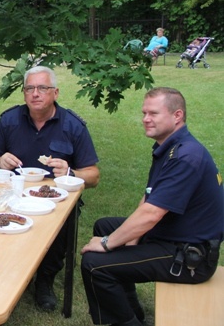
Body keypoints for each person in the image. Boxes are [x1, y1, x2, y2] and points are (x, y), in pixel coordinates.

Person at [80, 87, 223, 326]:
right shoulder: (171, 147)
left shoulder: (185, 157)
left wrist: (107, 243)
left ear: (177, 116)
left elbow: (152, 214)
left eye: (154, 113)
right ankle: (133, 310)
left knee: (95, 265)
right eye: (144, 113)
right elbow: (149, 198)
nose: (146, 119)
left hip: (190, 257)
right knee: (105, 225)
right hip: (175, 234)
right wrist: (126, 236)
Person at [0, 66, 100, 312]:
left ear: (55, 92)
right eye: (29, 88)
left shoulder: (73, 125)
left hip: (57, 202)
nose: (35, 94)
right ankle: (12, 271)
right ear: (24, 93)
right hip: (12, 195)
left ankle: (45, 279)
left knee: (62, 228)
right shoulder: (9, 120)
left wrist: (71, 173)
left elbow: (93, 175)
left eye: (43, 88)